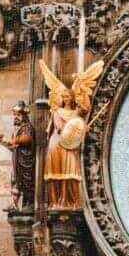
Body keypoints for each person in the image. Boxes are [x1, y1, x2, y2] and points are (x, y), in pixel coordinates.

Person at [41, 59, 104, 209]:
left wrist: (82, 128)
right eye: (64, 97)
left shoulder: (76, 112)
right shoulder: (57, 111)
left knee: (71, 174)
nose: (66, 99)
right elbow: (60, 126)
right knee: (56, 174)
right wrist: (77, 127)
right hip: (57, 143)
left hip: (69, 145)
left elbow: (85, 108)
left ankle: (70, 201)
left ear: (72, 98)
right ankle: (56, 201)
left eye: (69, 97)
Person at [0, 100, 36, 211]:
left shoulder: (27, 127)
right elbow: (13, 146)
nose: (15, 118)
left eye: (18, 115)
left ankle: (29, 204)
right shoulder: (17, 130)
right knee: (15, 181)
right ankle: (14, 204)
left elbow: (26, 139)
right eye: (15, 115)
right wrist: (2, 141)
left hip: (25, 162)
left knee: (27, 182)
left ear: (24, 116)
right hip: (17, 160)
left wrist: (14, 140)